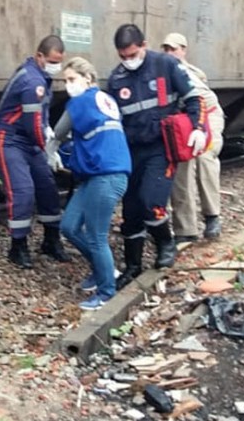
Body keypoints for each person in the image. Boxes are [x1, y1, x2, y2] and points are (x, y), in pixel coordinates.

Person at [108, 24, 206, 288]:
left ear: (144, 45)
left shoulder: (165, 65)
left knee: (151, 200)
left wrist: (198, 128)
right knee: (131, 210)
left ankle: (165, 243)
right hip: (132, 149)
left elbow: (195, 99)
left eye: (132, 54)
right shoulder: (116, 79)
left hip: (161, 147)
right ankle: (133, 265)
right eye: (123, 57)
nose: (128, 61)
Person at [46, 58, 130, 311]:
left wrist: (50, 152)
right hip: (100, 174)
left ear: (88, 79)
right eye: (65, 81)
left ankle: (106, 292)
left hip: (105, 175)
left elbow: (59, 133)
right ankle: (101, 270)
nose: (68, 85)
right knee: (70, 226)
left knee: (96, 237)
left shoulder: (81, 102)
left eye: (72, 80)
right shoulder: (107, 100)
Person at [0, 36, 70, 268]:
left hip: (29, 141)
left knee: (47, 189)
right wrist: (49, 147)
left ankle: (51, 241)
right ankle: (18, 246)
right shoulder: (32, 81)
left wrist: (47, 136)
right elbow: (32, 123)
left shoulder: (41, 78)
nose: (56, 66)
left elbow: (40, 119)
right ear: (40, 56)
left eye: (59, 61)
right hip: (10, 141)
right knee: (23, 191)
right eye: (53, 61)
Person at [160, 33, 225, 244]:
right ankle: (185, 228)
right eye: (166, 49)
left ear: (183, 50)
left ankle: (212, 216)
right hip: (183, 121)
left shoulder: (193, 73)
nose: (169, 53)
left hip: (209, 116)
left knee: (205, 157)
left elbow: (201, 103)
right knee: (182, 165)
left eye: (174, 49)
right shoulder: (162, 73)